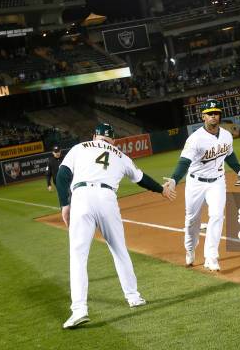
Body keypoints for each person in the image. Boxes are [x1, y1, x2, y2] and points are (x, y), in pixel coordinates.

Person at [56, 123, 176, 329]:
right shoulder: (120, 155)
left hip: (81, 196)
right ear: (113, 140)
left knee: (78, 256)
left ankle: (79, 310)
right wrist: (161, 190)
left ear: (94, 136)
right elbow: (141, 179)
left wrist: (65, 206)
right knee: (119, 250)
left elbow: (62, 176)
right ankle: (133, 297)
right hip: (107, 198)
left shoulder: (79, 148)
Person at [164, 99, 240, 272]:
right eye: (209, 114)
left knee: (217, 216)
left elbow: (229, 154)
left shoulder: (226, 135)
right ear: (203, 117)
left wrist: (239, 169)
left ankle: (211, 257)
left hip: (217, 182)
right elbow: (184, 162)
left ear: (219, 115)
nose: (213, 116)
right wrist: (174, 180)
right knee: (192, 221)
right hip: (196, 183)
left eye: (215, 113)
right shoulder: (195, 139)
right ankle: (190, 249)